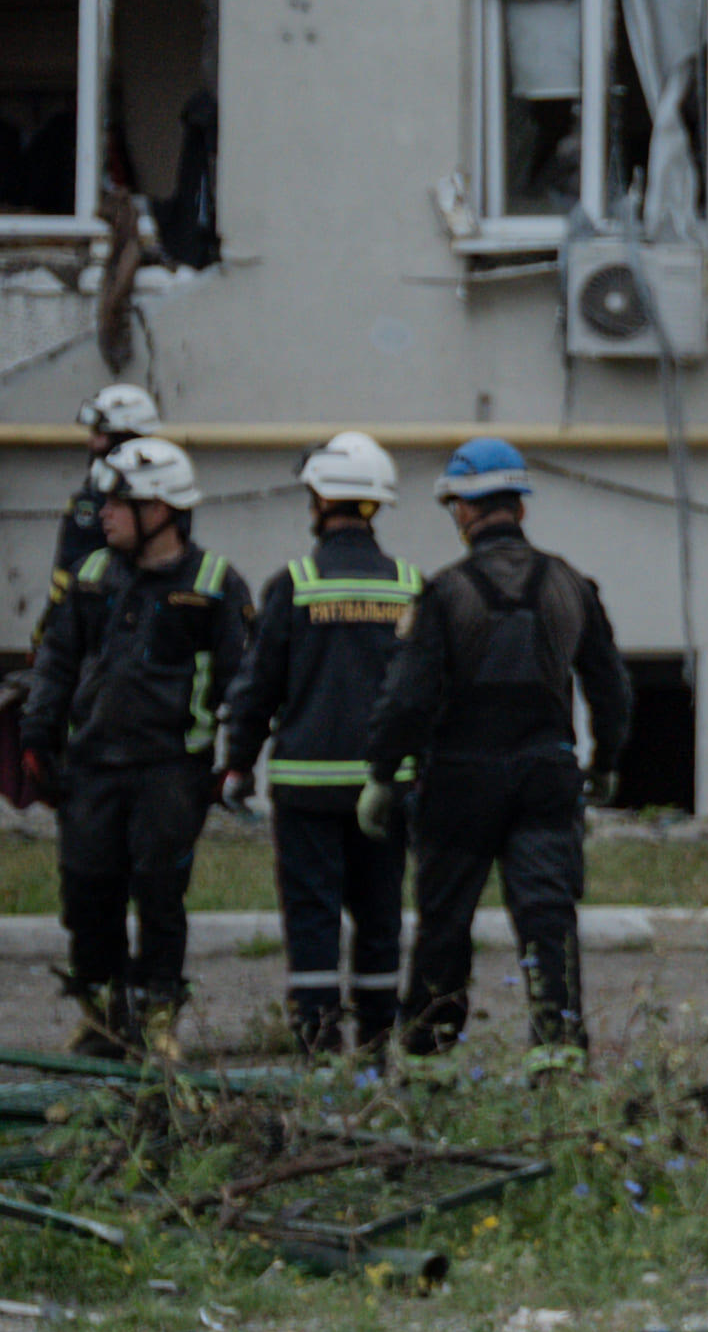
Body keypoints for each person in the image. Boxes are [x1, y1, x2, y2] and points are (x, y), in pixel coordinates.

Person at [367, 434, 631, 1060]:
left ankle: (430, 1057)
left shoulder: (444, 592)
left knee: (445, 922)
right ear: (520, 506)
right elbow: (611, 690)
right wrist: (606, 763)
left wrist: (382, 773)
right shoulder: (572, 585)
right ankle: (558, 1052)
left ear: (463, 508)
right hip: (546, 778)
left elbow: (408, 699)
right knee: (547, 917)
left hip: (459, 784)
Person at [27, 431, 232, 1057]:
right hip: (92, 766)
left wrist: (233, 759)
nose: (104, 516)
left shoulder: (214, 583)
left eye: (117, 504)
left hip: (170, 769)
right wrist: (38, 734)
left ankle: (158, 1015)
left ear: (160, 509)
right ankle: (103, 1018)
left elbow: (239, 681)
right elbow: (57, 661)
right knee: (87, 890)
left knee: (160, 892)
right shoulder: (91, 575)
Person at [224, 433, 421, 1056]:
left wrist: (237, 765)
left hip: (306, 788)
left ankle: (317, 1043)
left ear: (320, 500)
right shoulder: (410, 586)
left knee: (312, 916)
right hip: (385, 789)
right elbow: (425, 692)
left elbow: (257, 687)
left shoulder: (295, 584)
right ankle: (377, 1045)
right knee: (380, 915)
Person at [46, 380, 165, 604]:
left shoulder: (162, 494)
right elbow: (68, 578)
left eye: (99, 433)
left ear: (125, 437)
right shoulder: (90, 501)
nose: (91, 442)